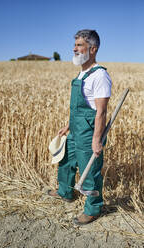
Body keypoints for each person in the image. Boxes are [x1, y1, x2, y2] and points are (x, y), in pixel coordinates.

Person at [48, 29, 112, 225]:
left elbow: (100, 111)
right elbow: (82, 106)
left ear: (92, 49)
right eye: (75, 44)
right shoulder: (82, 72)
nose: (74, 48)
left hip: (89, 132)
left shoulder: (100, 75)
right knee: (66, 160)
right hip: (76, 127)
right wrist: (68, 125)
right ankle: (65, 192)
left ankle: (93, 208)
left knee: (89, 169)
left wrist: (96, 140)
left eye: (79, 45)